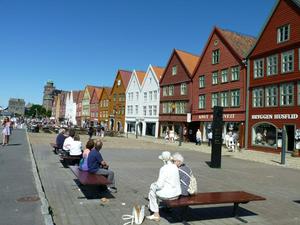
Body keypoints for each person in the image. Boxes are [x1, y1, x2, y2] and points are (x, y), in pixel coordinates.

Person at [146, 151, 181, 221]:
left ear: (163, 160)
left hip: (169, 195)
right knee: (156, 188)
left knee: (152, 190)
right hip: (177, 193)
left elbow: (159, 185)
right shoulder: (175, 167)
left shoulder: (163, 168)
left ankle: (156, 214)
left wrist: (153, 185)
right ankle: (167, 207)